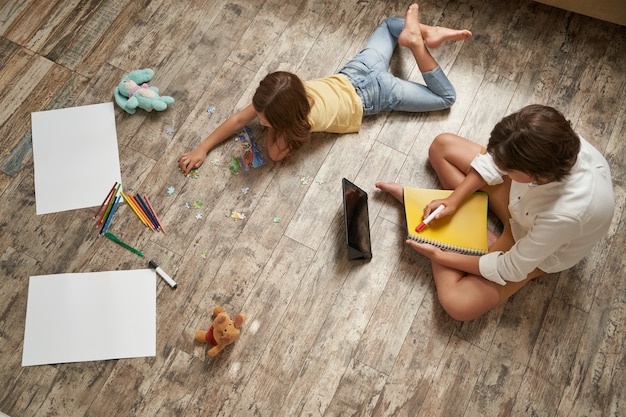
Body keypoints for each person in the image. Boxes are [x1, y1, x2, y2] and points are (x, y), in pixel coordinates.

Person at [376, 104, 615, 322]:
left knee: (458, 304)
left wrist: (441, 257)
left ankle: (452, 234)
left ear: (535, 174)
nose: (500, 167)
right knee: (442, 146)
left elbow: (511, 268)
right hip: (520, 204)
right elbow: (494, 162)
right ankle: (475, 236)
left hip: (535, 245)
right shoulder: (552, 142)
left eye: (508, 168)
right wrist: (454, 199)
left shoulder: (567, 213)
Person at [178, 4, 471, 173]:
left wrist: (274, 128)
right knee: (388, 26)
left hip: (375, 94)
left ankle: (419, 44)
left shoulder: (296, 127)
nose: (259, 120)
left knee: (445, 98)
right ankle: (424, 32)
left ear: (286, 119)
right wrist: (202, 148)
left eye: (266, 120)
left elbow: (275, 154)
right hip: (356, 72)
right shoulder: (284, 93)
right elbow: (238, 120)